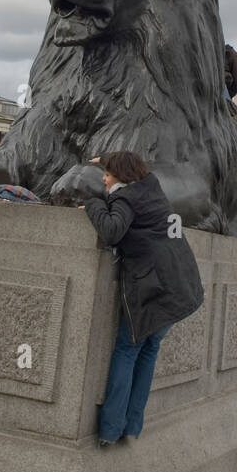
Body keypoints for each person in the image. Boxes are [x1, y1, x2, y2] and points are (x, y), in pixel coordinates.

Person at [80, 150, 203, 447]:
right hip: (181, 284)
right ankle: (132, 427)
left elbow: (111, 231)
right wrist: (106, 159)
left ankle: (110, 430)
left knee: (127, 350)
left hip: (154, 290)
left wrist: (94, 202)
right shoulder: (151, 185)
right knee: (150, 350)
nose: (105, 180)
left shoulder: (124, 199)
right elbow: (130, 167)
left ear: (120, 177)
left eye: (108, 175)